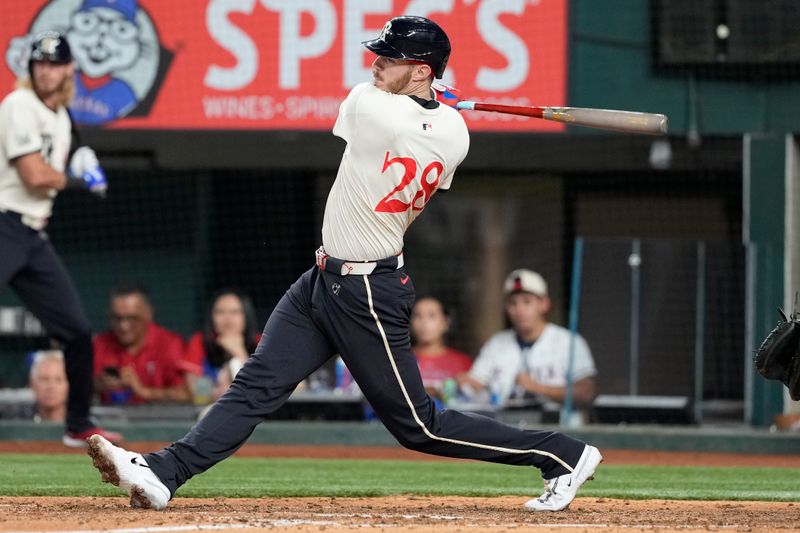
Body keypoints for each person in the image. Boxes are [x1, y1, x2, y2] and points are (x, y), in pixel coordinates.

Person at [86, 16, 602, 513]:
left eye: (390, 57)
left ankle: (564, 454)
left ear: (423, 70)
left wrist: (421, 102)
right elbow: (427, 122)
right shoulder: (454, 133)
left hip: (369, 292)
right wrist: (431, 103)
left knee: (418, 425)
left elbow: (381, 106)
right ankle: (163, 473)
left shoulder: (371, 108)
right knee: (256, 385)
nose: (376, 63)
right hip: (322, 280)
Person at [0, 31, 120, 447]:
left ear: (68, 69)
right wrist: (79, 179)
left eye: (54, 64)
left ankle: (78, 424)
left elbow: (64, 159)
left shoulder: (63, 116)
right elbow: (34, 176)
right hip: (4, 223)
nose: (46, 71)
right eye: (39, 63)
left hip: (33, 234)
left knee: (76, 330)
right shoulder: (18, 105)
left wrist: (83, 166)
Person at [458, 269, 598, 411]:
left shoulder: (569, 342)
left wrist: (538, 388)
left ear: (544, 304)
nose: (520, 310)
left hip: (556, 428)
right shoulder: (496, 344)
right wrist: (466, 383)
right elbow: (476, 381)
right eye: (513, 303)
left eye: (527, 302)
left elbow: (586, 393)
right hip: (507, 426)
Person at [93, 282, 190, 405]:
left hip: (159, 420)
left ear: (148, 314)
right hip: (109, 421)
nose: (124, 326)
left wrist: (144, 391)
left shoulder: (170, 344)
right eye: (117, 318)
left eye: (132, 318)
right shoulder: (100, 344)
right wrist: (95, 386)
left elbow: (188, 394)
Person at [183, 289, 260, 403]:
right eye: (220, 312)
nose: (227, 319)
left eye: (235, 312)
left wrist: (238, 351)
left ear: (246, 316)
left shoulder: (261, 342)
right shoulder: (200, 341)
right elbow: (195, 390)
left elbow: (263, 385)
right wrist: (217, 393)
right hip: (211, 410)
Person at [411, 296, 472, 402]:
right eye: (418, 316)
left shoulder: (462, 362)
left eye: (431, 316)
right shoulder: (400, 358)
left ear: (445, 323)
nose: (423, 322)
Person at [29, 350, 69, 423]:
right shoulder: (17, 423)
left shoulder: (85, 425)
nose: (51, 387)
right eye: (44, 379)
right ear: (33, 384)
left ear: (68, 385)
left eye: (58, 380)